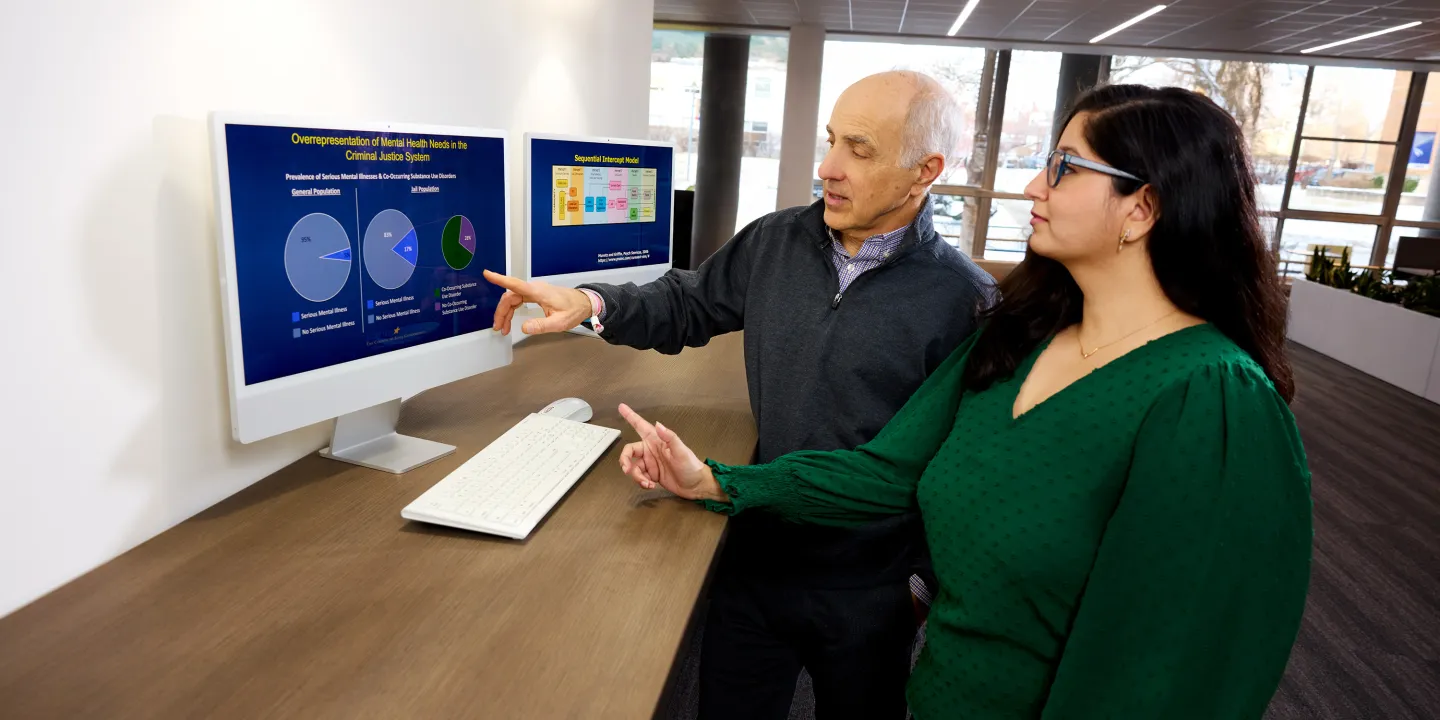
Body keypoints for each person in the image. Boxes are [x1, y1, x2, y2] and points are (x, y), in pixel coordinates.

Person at [615, 84, 1313, 719]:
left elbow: (1180, 667)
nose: (1034, 186)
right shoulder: (1018, 337)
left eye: (1066, 168)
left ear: (1144, 206)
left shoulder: (1215, 396)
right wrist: (713, 480)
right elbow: (886, 472)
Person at [484, 71, 996, 719]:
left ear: (924, 171)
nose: (828, 167)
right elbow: (686, 304)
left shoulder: (967, 301)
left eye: (859, 150)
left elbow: (961, 470)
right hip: (756, 558)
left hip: (869, 591)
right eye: (831, 140)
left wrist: (919, 584)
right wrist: (590, 301)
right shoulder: (776, 240)